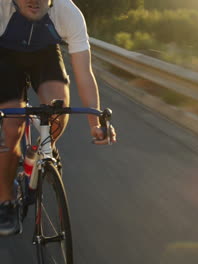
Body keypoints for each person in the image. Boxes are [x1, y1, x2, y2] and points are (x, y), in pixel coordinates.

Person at [0, 0, 116, 236]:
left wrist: (95, 122)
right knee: (10, 128)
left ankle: (42, 150)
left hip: (45, 57)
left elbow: (84, 73)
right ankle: (6, 199)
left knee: (56, 112)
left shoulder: (68, 13)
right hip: (5, 56)